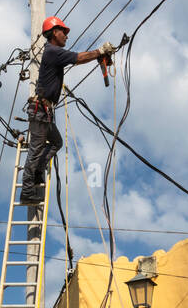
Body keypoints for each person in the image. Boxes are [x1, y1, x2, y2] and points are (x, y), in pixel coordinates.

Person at [18, 17, 117, 204]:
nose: (66, 36)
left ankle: (38, 171)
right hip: (40, 111)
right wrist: (100, 52)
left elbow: (79, 58)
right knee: (36, 151)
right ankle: (27, 192)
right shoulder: (52, 52)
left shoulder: (54, 52)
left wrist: (98, 55)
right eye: (64, 32)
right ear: (54, 32)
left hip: (44, 112)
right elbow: (78, 58)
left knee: (56, 142)